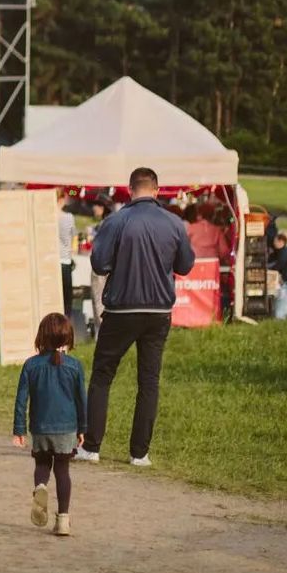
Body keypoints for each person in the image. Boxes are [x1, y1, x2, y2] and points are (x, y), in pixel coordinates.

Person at [77, 167, 194, 467]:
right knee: (149, 381)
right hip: (158, 311)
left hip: (121, 308)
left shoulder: (115, 221)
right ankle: (139, 453)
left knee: (103, 376)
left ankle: (92, 447)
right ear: (157, 190)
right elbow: (185, 266)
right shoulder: (175, 223)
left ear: (130, 190)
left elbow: (100, 265)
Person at [12, 312, 87, 538]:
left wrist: (19, 430)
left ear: (41, 336)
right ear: (67, 338)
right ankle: (63, 520)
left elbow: (21, 400)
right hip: (66, 428)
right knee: (63, 471)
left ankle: (41, 487)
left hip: (40, 427)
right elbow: (81, 400)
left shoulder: (30, 365)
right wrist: (83, 428)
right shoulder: (75, 366)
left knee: (42, 465)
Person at [57, 191, 77, 315]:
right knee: (66, 300)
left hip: (50, 260)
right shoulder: (68, 217)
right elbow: (73, 236)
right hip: (65, 259)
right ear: (61, 199)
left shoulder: (45, 218)